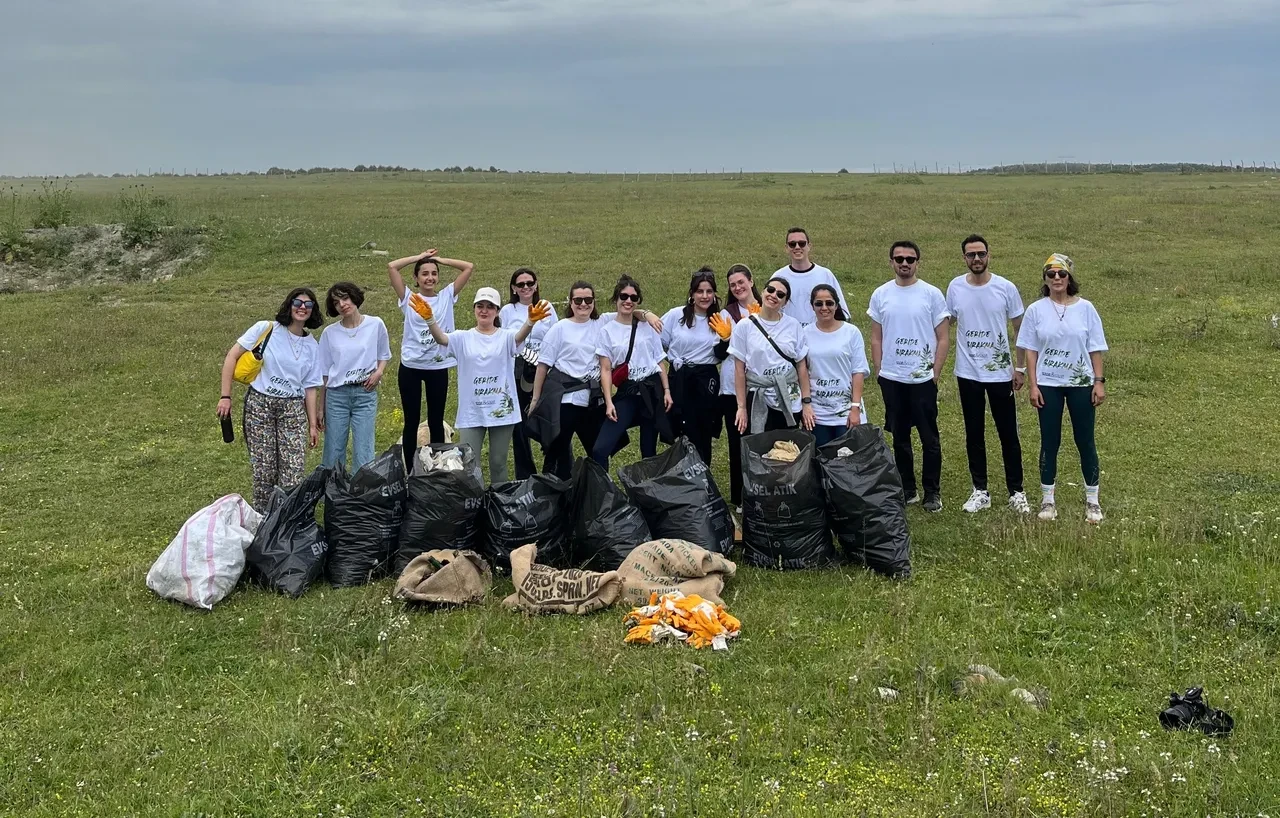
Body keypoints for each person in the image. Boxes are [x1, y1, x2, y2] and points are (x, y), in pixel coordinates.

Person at [416, 286, 550, 483]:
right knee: (470, 464)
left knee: (498, 462)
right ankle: (476, 500)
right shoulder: (462, 337)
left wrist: (530, 322)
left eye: (490, 306)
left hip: (501, 412)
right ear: (474, 309)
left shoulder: (506, 336)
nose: (484, 310)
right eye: (480, 306)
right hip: (472, 412)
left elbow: (518, 338)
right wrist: (430, 320)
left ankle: (498, 500)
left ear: (497, 311)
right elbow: (442, 339)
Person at [1016, 253, 1108, 524]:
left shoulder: (1086, 308)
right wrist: (1033, 385)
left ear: (1069, 277)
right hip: (1048, 384)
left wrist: (1098, 382)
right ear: (1045, 279)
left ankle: (1093, 501)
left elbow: (1095, 347)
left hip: (1080, 384)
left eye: (1062, 274)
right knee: (1049, 441)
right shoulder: (1036, 310)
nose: (1056, 278)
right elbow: (1030, 350)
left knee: (1085, 441)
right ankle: (1048, 500)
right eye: (1051, 274)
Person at [216, 288, 324, 511]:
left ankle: (285, 519)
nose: (302, 308)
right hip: (260, 405)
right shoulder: (266, 329)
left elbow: (310, 387)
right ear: (289, 305)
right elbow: (232, 356)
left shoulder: (313, 346)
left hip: (292, 409)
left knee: (293, 471)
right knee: (264, 471)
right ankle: (263, 520)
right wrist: (225, 396)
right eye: (297, 303)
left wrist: (312, 424)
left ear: (313, 310)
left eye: (308, 305)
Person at [946, 235, 1031, 514]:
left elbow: (1020, 329)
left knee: (1008, 434)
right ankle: (980, 491)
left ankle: (1016, 492)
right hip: (968, 373)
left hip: (1000, 374)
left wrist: (1020, 368)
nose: (977, 259)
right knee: (974, 433)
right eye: (971, 255)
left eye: (981, 254)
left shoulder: (1005, 288)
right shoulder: (955, 287)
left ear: (988, 255)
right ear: (964, 258)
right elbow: (947, 323)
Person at [868, 241, 951, 512]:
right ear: (891, 262)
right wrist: (880, 370)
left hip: (922, 379)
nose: (905, 263)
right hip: (892, 378)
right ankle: (907, 489)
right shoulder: (881, 294)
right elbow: (876, 336)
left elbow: (943, 337)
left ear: (918, 262)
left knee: (929, 438)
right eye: (899, 258)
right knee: (900, 437)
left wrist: (935, 373)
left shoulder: (931, 294)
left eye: (910, 259)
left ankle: (932, 492)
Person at [387, 248, 475, 468]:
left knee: (436, 420)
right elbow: (392, 267)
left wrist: (440, 260)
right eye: (424, 273)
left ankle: (437, 468)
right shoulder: (409, 298)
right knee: (411, 421)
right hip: (411, 366)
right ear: (416, 278)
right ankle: (410, 470)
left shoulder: (446, 296)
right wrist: (418, 257)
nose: (430, 278)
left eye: (434, 273)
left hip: (437, 366)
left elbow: (468, 267)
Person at [594, 275, 673, 469]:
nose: (628, 301)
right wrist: (609, 402)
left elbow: (659, 361)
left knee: (649, 451)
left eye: (633, 297)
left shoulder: (648, 326)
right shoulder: (607, 330)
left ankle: (648, 487)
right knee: (600, 449)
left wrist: (666, 391)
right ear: (616, 299)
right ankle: (603, 486)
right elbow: (605, 369)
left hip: (652, 390)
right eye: (624, 296)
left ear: (638, 301)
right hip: (627, 392)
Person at [660, 267, 732, 466]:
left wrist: (726, 339)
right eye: (700, 291)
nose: (705, 296)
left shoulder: (718, 319)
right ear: (692, 294)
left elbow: (721, 355)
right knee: (679, 428)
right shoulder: (676, 315)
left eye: (709, 291)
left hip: (704, 379)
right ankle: (680, 474)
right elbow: (658, 342)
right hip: (680, 377)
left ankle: (702, 473)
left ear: (714, 294)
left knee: (702, 430)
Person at [316, 282, 392, 471]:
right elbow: (324, 373)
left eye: (345, 298)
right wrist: (321, 408)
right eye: (336, 302)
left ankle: (361, 487)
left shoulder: (375, 324)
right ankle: (333, 486)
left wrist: (379, 372)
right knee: (333, 449)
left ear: (354, 297)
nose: (342, 304)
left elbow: (383, 354)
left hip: (365, 393)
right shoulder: (329, 333)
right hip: (337, 395)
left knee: (364, 450)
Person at [730, 276, 814, 435]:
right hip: (759, 397)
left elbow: (801, 366)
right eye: (771, 290)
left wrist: (806, 403)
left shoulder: (793, 325)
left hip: (789, 398)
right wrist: (741, 407)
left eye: (780, 295)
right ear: (763, 292)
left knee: (787, 446)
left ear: (785, 303)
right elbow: (739, 370)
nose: (774, 295)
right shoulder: (744, 326)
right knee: (759, 446)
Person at [499, 267, 558, 479]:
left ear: (536, 285)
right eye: (521, 284)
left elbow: (556, 336)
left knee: (551, 420)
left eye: (530, 283)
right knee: (519, 424)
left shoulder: (546, 306)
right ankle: (525, 475)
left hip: (544, 368)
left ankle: (555, 470)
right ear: (514, 288)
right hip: (518, 370)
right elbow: (502, 341)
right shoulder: (507, 311)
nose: (526, 287)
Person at [804, 284, 870, 448]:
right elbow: (802, 371)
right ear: (812, 306)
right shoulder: (804, 333)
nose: (824, 308)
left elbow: (858, 371)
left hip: (845, 412)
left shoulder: (851, 332)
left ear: (836, 305)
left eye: (829, 303)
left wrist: (855, 408)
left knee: (847, 458)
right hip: (817, 413)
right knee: (820, 458)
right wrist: (806, 405)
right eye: (818, 303)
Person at [718, 264, 760, 513]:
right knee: (737, 442)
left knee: (759, 440)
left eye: (741, 282)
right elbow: (718, 354)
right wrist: (726, 338)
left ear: (751, 281)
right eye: (733, 285)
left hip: (760, 386)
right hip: (732, 388)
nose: (737, 288)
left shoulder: (766, 307)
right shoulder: (727, 313)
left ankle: (762, 491)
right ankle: (740, 497)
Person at [773, 226, 849, 326]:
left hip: (819, 332)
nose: (797, 247)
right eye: (792, 244)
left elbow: (841, 312)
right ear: (786, 248)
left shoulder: (825, 274)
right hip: (788, 332)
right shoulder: (778, 277)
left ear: (809, 246)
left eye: (802, 243)